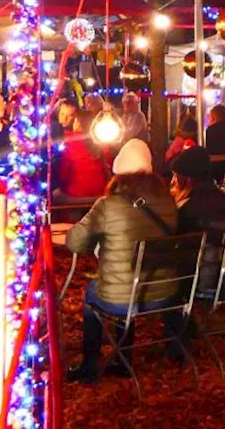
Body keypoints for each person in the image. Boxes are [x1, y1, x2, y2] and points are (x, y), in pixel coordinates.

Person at [65, 139, 189, 383]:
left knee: (94, 294)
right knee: (127, 280)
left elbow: (74, 243)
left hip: (124, 299)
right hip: (164, 294)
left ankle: (90, 365)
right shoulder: (167, 202)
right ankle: (122, 359)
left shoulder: (107, 205)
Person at [171, 147, 225, 295]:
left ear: (187, 179)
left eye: (175, 176)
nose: (173, 182)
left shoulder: (188, 207)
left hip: (198, 282)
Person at [56, 112, 108, 200]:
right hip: (100, 191)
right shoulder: (102, 141)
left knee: (55, 195)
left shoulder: (68, 140)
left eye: (75, 121)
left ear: (79, 123)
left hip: (76, 193)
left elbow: (64, 172)